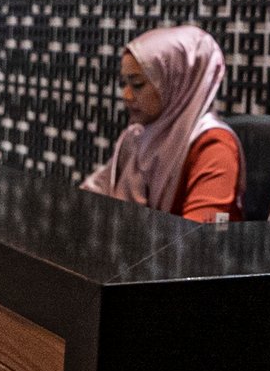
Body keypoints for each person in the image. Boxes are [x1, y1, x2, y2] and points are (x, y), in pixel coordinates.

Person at [79, 24, 241, 223]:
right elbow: (90, 198)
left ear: (176, 82)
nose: (126, 95)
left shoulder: (214, 147)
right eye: (125, 83)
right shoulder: (137, 137)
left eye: (137, 84)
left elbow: (198, 237)